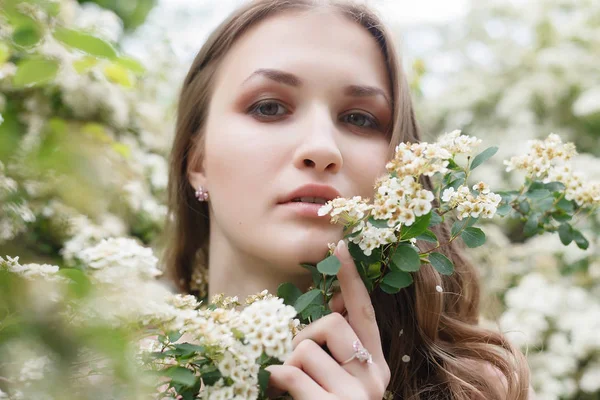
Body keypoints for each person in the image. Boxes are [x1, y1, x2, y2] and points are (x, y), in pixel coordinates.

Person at [163, 0, 534, 398]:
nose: (323, 149)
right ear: (196, 159)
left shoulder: (476, 388)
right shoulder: (110, 375)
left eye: (359, 118)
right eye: (269, 108)